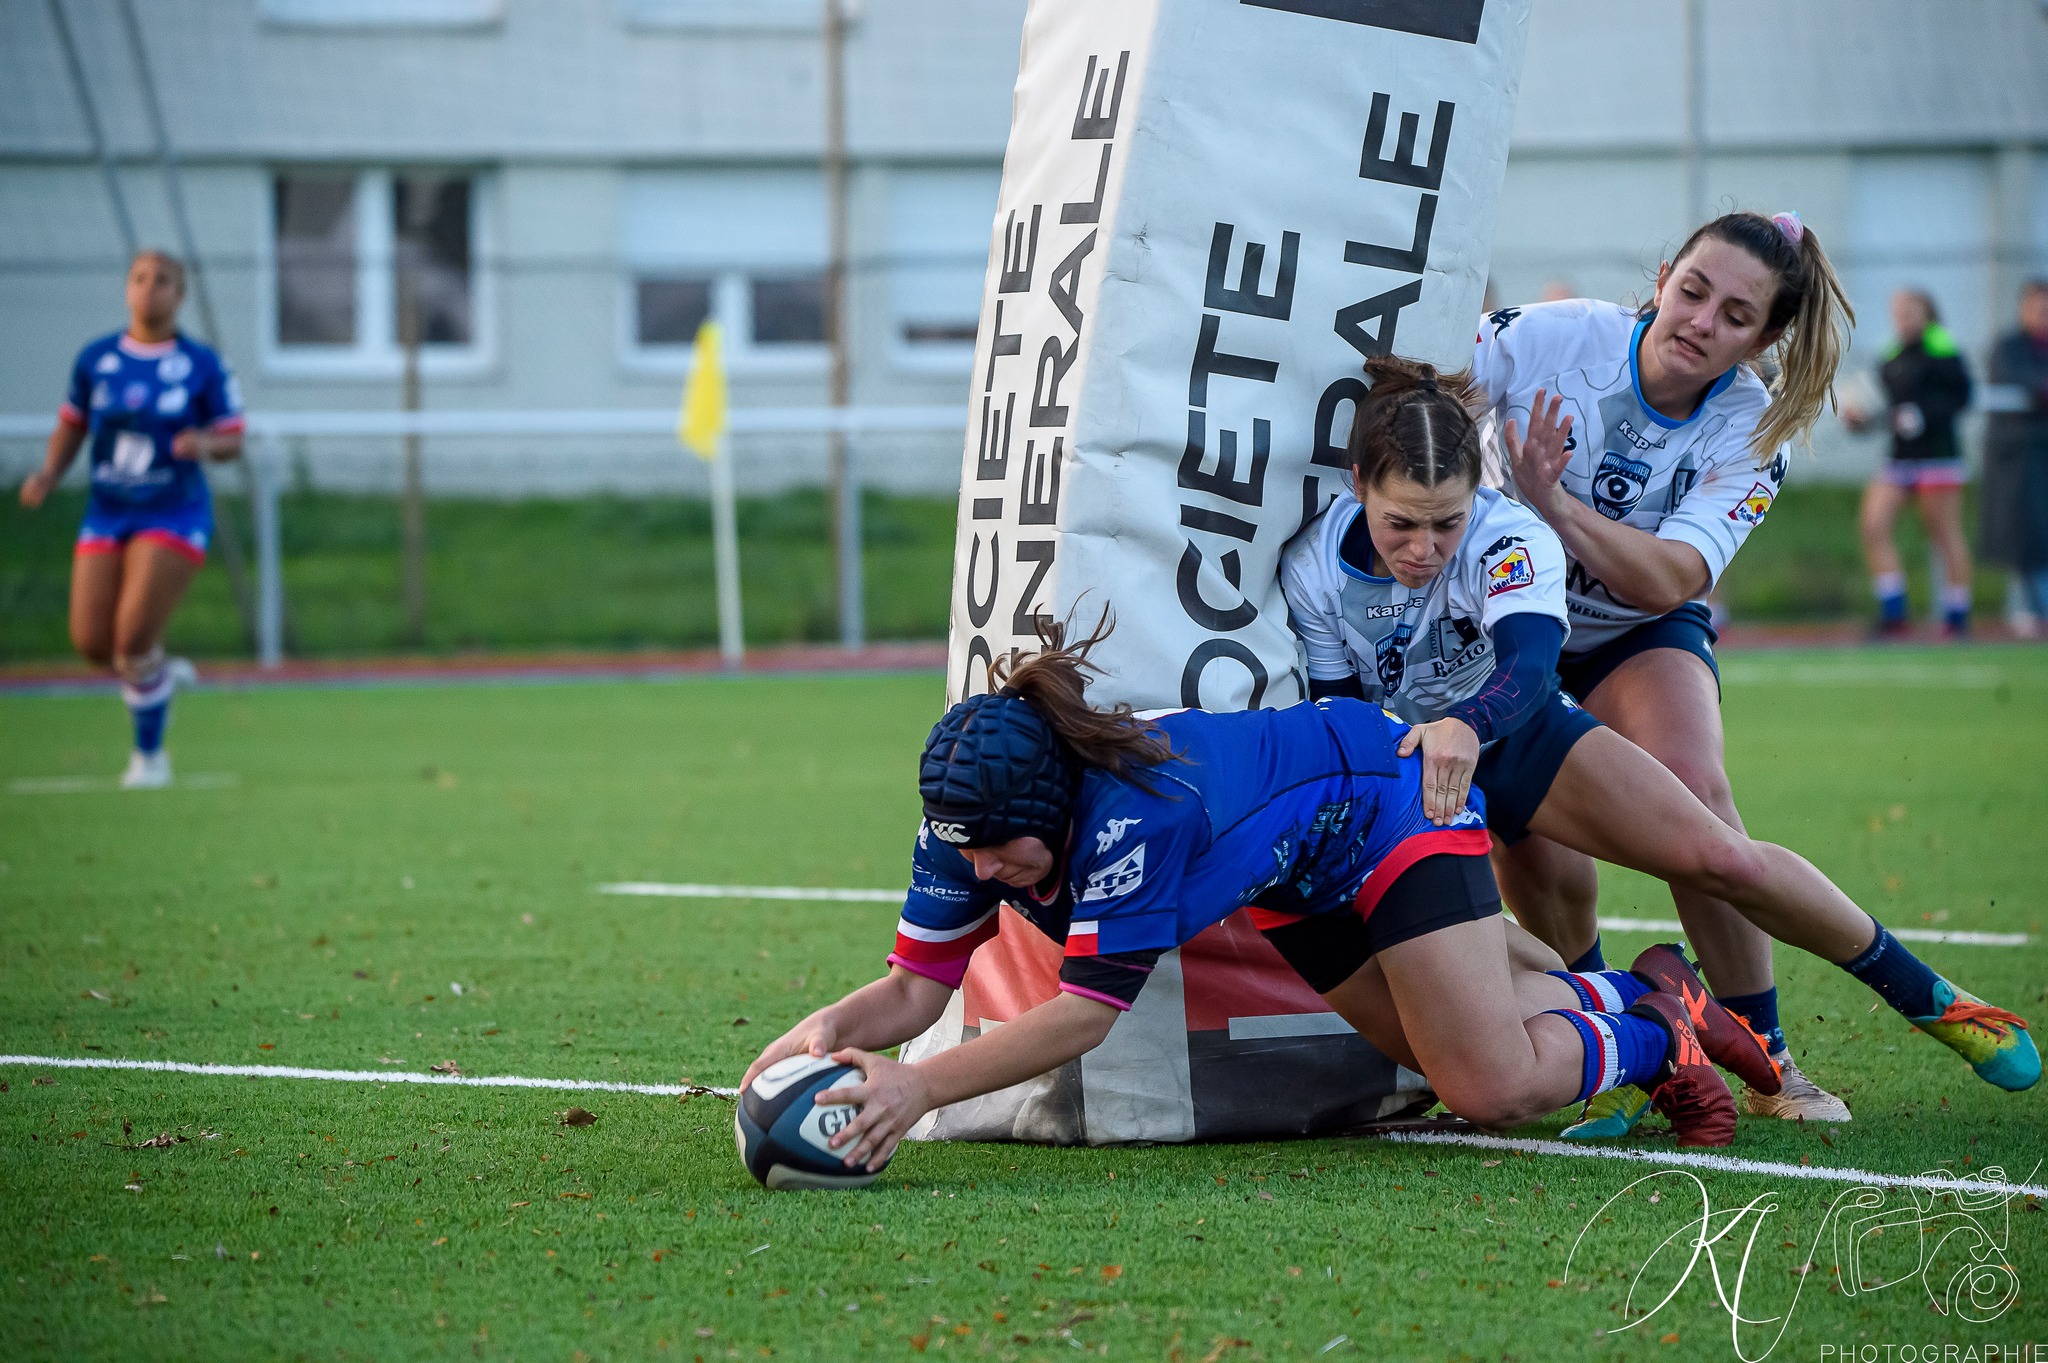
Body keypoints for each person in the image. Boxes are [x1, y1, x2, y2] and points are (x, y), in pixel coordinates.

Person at [1283, 354, 2037, 1141]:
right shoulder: (1312, 566)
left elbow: (1531, 666)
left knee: (1722, 858)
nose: (1425, 548)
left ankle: (1938, 1000)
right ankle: (1635, 1047)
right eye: (1401, 522)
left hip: (1516, 732)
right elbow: (1345, 711)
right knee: (1530, 955)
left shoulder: (1506, 532)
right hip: (1414, 776)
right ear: (1359, 481)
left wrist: (1468, 726)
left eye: (1448, 521)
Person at [742, 622, 1784, 1171]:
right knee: (1469, 1041)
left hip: (1389, 799)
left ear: (1055, 807)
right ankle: (1645, 995)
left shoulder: (1130, 815)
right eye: (957, 850)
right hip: (1295, 873)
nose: (975, 876)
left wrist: (918, 1089)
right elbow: (911, 993)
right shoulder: (968, 826)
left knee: (1487, 1085)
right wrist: (817, 1038)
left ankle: (1657, 1026)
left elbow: (1081, 1015)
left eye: (997, 854)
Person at [1472, 211, 2028, 1132]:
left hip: (1632, 622)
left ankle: (1778, 1056)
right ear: (1661, 278)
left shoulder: (1750, 427)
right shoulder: (1555, 337)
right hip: (1504, 621)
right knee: (1530, 843)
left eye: (1736, 315)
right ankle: (1626, 1046)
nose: (1700, 321)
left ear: (1764, 338)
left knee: (1697, 799)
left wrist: (1553, 507)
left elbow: (1670, 577)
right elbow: (1433, 392)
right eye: (1692, 291)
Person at [17, 250, 243, 788]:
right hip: (109, 509)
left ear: (179, 295)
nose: (149, 290)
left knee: (132, 637)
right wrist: (49, 473)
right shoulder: (97, 358)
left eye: (162, 281)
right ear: (126, 289)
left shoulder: (200, 364)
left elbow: (233, 436)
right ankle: (159, 674)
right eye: (139, 279)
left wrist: (205, 443)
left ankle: (150, 758)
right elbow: (72, 423)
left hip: (173, 510)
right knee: (94, 644)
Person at [1841, 289, 1975, 637]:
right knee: (1873, 523)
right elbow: (1887, 410)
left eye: (1910, 311)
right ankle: (1894, 610)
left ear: (1927, 313)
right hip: (1901, 456)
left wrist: (1925, 416)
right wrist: (1861, 420)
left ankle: (1957, 615)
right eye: (1897, 311)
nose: (1902, 317)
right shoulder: (1892, 355)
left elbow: (1962, 397)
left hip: (1937, 456)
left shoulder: (1943, 349)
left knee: (1942, 531)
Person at [1979, 279, 2048, 637]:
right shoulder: (2008, 347)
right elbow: (2018, 381)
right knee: (2025, 536)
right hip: (2017, 459)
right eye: (2038, 308)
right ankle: (2024, 609)